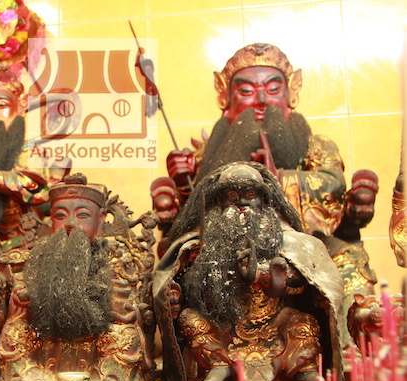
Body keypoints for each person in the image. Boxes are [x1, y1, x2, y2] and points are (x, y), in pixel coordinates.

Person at [153, 43, 377, 353]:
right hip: (222, 246)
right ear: (225, 97)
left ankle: (351, 352)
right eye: (246, 91)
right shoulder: (204, 156)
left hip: (306, 244)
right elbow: (192, 219)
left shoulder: (315, 145)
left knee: (348, 262)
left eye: (272, 89)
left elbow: (332, 186)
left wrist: (276, 179)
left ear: (290, 93)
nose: (260, 100)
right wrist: (181, 186)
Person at [154, 162, 344, 381]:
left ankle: (304, 370)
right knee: (190, 320)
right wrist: (175, 294)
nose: (242, 203)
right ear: (218, 200)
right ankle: (219, 365)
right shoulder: (199, 243)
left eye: (250, 195)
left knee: (304, 323)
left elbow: (309, 279)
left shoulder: (287, 238)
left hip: (275, 325)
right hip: (222, 328)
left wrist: (266, 277)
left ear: (264, 200)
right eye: (232, 196)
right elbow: (177, 280)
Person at [0, 173, 156, 381]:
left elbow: (125, 303)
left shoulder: (115, 259)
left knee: (123, 335)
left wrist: (101, 301)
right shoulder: (37, 259)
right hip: (45, 338)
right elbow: (21, 300)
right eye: (60, 216)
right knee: (16, 332)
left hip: (96, 341)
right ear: (51, 221)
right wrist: (26, 298)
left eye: (82, 215)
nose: (70, 223)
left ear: (100, 220)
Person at [0, 62, 68, 251]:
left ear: (21, 106)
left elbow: (34, 186)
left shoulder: (31, 150)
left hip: (22, 242)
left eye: (2, 105)